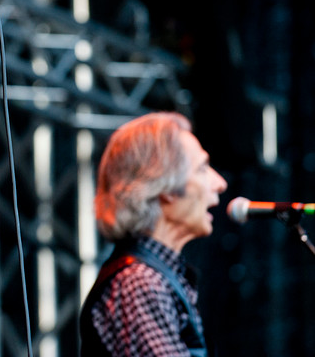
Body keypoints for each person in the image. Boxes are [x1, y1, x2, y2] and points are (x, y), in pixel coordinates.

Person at [79, 112, 227, 356]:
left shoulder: (156, 278)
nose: (220, 183)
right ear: (165, 186)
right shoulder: (139, 282)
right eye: (202, 169)